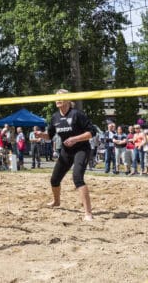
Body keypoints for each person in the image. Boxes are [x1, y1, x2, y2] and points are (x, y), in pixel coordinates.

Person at [35, 89, 96, 221]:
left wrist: (75, 139)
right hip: (66, 151)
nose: (58, 100)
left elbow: (92, 132)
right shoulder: (55, 117)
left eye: (61, 97)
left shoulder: (77, 114)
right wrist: (41, 135)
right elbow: (49, 136)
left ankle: (88, 213)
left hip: (82, 149)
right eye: (56, 97)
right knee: (54, 180)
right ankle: (56, 201)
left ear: (68, 99)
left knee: (77, 178)